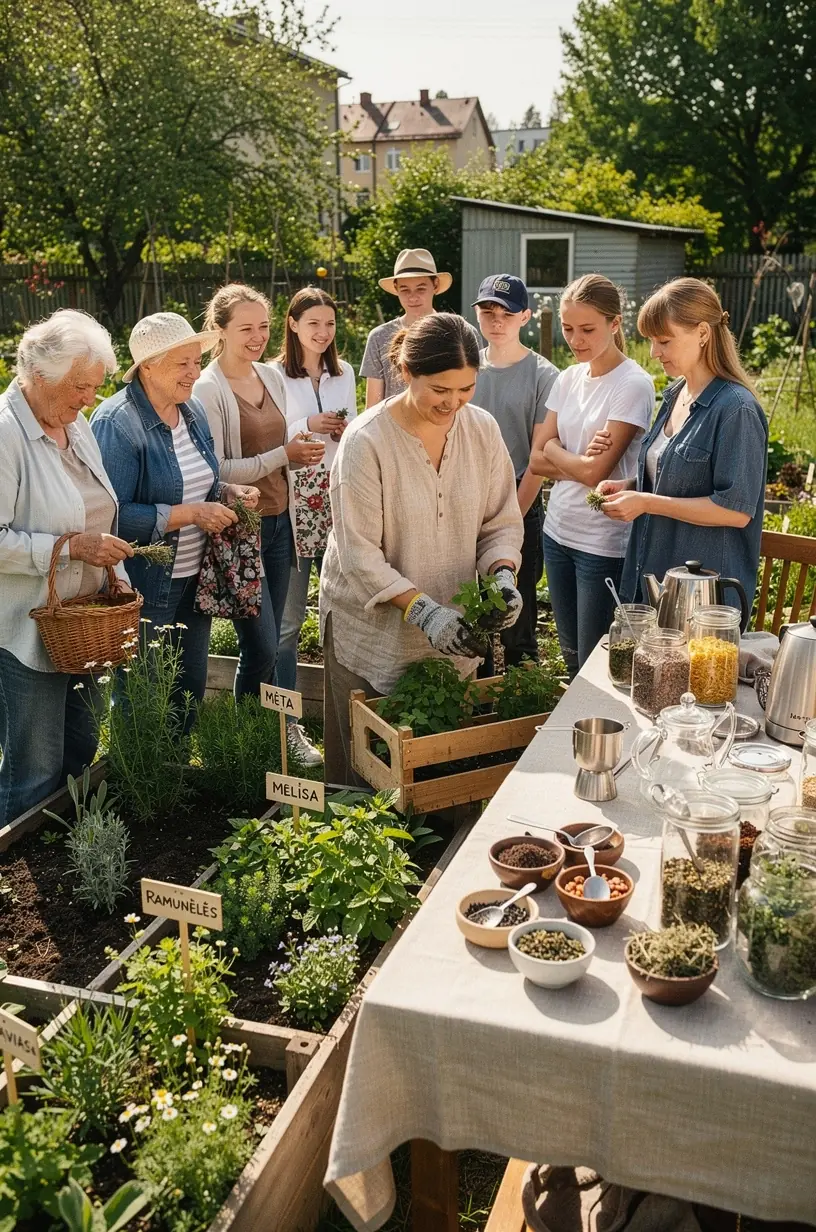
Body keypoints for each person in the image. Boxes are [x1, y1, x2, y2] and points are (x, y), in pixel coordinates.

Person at [319, 312, 524, 785]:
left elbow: (499, 521)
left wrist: (502, 575)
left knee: (440, 768)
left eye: (466, 388)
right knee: (366, 774)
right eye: (440, 390)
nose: (453, 403)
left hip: (455, 631)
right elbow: (360, 556)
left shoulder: (482, 430)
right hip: (372, 630)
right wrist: (425, 613)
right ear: (407, 372)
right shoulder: (366, 441)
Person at [0, 309, 133, 823]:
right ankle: (17, 864)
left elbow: (97, 508)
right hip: (27, 630)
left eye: (94, 387)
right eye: (80, 386)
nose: (89, 399)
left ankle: (68, 854)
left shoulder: (74, 425)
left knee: (80, 749)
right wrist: (70, 548)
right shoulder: (6, 434)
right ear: (39, 375)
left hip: (84, 624)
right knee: (33, 773)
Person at [93, 312, 259, 716]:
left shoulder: (192, 409)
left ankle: (180, 757)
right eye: (182, 363)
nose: (194, 373)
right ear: (148, 366)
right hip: (145, 586)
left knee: (188, 691)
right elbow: (109, 518)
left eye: (197, 362)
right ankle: (137, 761)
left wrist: (226, 491)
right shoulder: (118, 423)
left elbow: (198, 478)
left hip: (195, 578)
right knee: (142, 701)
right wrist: (192, 514)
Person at [595, 277, 768, 617]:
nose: (653, 352)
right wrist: (630, 486)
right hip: (653, 580)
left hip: (703, 603)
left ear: (702, 333)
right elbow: (675, 475)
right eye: (651, 341)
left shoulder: (737, 410)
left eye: (664, 341)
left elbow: (735, 511)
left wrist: (646, 502)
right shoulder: (676, 394)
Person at [194, 285, 325, 703]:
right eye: (246, 328)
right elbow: (217, 470)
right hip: (242, 530)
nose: (258, 337)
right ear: (219, 330)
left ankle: (273, 729)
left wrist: (296, 454)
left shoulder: (269, 376)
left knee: (277, 638)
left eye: (264, 327)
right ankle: (251, 729)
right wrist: (284, 455)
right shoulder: (208, 389)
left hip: (282, 523)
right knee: (262, 644)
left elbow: (277, 448)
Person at [530, 274, 655, 679]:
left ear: (615, 323)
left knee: (594, 664)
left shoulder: (633, 384)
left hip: (601, 543)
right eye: (568, 328)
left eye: (587, 329)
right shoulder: (567, 378)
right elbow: (536, 459)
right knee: (570, 657)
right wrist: (571, 457)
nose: (575, 340)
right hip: (557, 532)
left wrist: (557, 449)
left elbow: (596, 473)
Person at [270, 286, 357, 767]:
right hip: (292, 500)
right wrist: (309, 422)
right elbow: (269, 434)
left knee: (341, 614)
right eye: (313, 324)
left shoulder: (343, 375)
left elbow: (354, 430)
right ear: (293, 325)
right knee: (288, 621)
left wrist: (344, 427)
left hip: (337, 496)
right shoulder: (274, 375)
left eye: (329, 324)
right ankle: (285, 726)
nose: (323, 333)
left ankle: (345, 720)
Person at [471, 273, 559, 667]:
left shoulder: (544, 375)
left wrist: (511, 518)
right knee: (472, 615)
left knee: (516, 620)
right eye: (488, 312)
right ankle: (479, 695)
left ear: (525, 316)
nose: (496, 321)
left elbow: (539, 459)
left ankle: (523, 696)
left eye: (506, 313)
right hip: (465, 496)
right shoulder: (467, 367)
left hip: (519, 496)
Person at [360, 248, 451, 407]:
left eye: (421, 289)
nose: (413, 297)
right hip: (393, 423)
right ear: (396, 289)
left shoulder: (457, 333)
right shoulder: (379, 337)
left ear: (435, 285)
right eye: (405, 290)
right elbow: (372, 408)